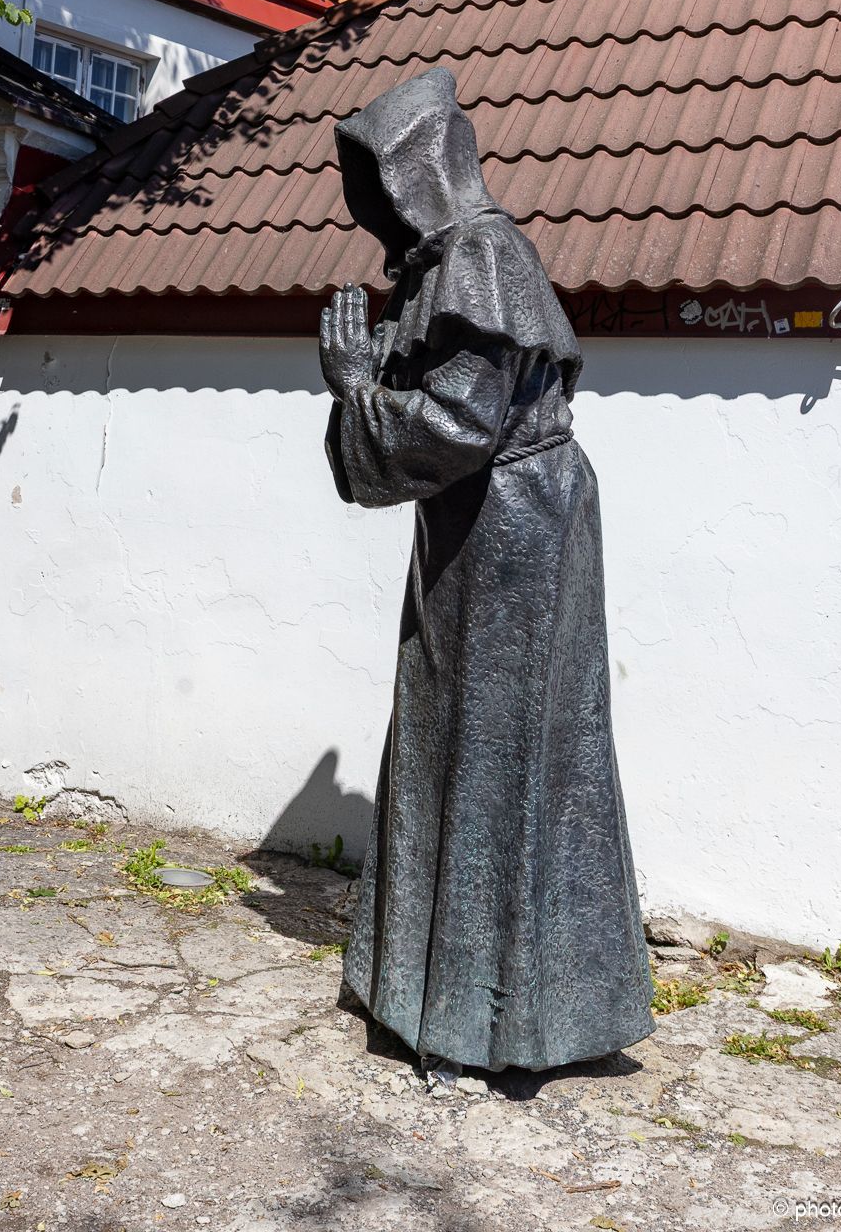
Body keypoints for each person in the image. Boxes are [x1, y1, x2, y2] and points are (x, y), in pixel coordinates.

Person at [320, 67, 652, 1078]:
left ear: (417, 173)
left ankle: (487, 1016)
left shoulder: (482, 254)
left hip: (512, 527)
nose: (379, 212)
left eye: (381, 184)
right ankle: (445, 996)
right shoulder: (450, 265)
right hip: (490, 520)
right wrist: (374, 384)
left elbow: (460, 423)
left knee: (495, 750)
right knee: (463, 740)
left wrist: (358, 391)